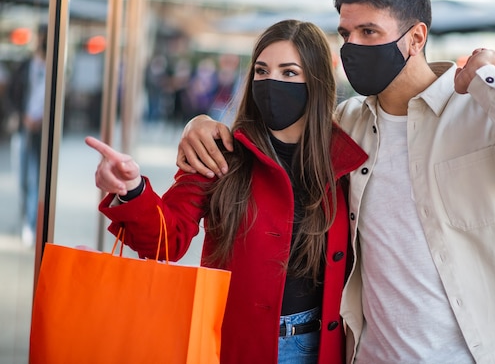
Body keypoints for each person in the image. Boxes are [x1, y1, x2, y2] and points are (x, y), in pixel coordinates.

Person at [175, 0, 495, 364]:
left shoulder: (484, 113)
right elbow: (276, 141)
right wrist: (200, 125)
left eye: (369, 31)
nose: (353, 47)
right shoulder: (347, 124)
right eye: (345, 33)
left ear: (416, 38)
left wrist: (493, 79)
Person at [86, 19, 367, 364]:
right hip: (236, 345)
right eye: (262, 71)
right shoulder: (221, 152)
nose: (271, 82)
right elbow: (167, 238)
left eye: (289, 72)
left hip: (320, 346)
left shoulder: (344, 161)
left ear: (317, 81)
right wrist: (131, 189)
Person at [8, 23, 48, 247]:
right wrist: (21, 116)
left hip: (40, 133)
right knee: (22, 178)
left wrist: (41, 120)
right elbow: (11, 97)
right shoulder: (24, 67)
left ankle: (30, 224)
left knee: (34, 179)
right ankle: (25, 218)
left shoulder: (54, 71)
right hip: (23, 129)